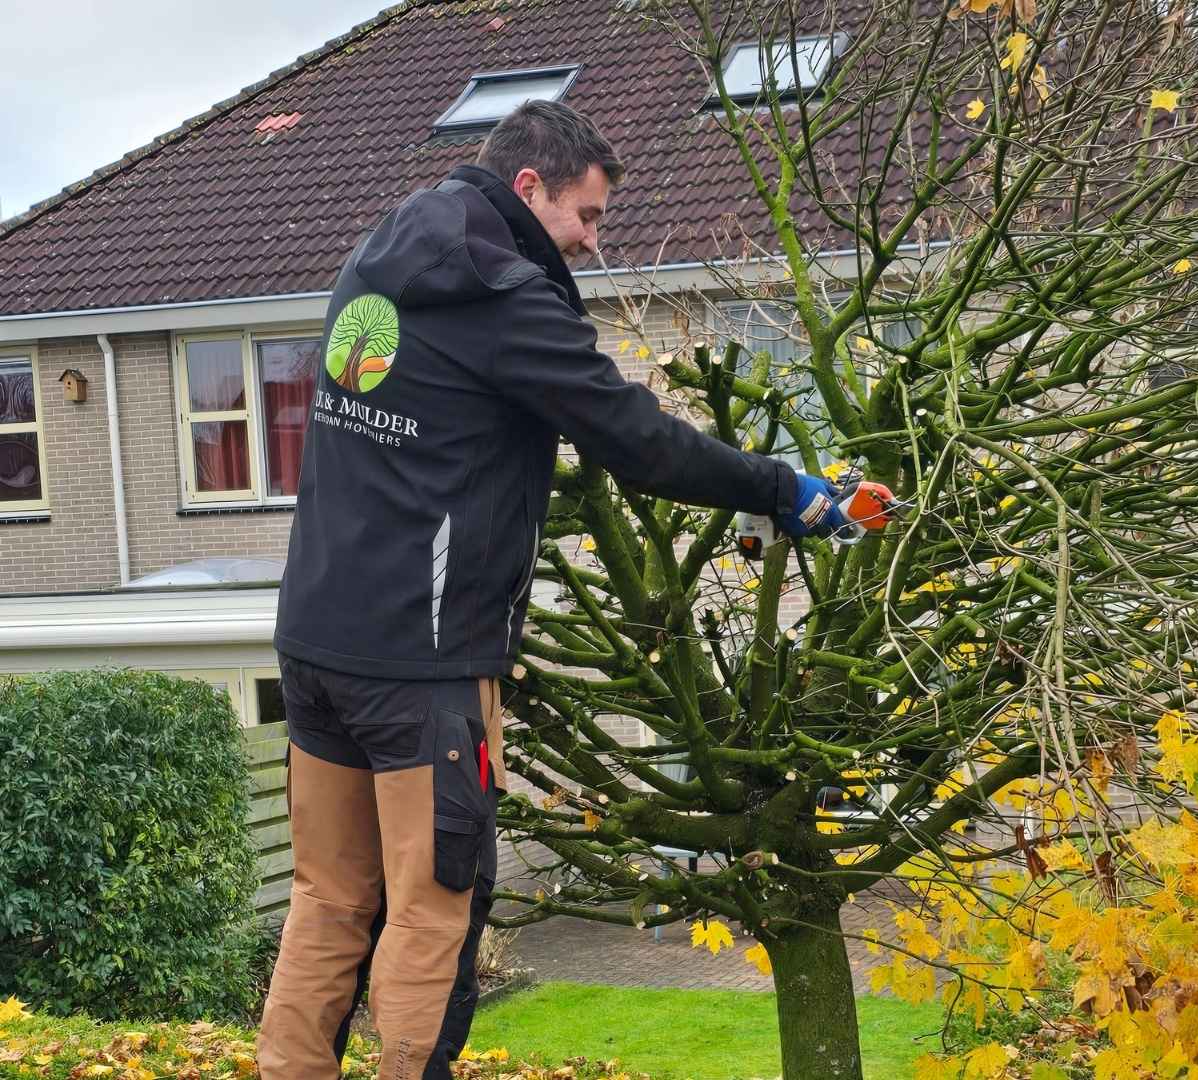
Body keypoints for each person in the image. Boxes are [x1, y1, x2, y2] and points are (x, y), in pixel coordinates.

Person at [257, 100, 860, 1080]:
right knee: (435, 905)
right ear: (528, 189)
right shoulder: (501, 292)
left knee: (328, 899)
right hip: (423, 667)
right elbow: (640, 442)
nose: (589, 241)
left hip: (315, 640)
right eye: (586, 216)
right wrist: (783, 489)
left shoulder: (381, 249)